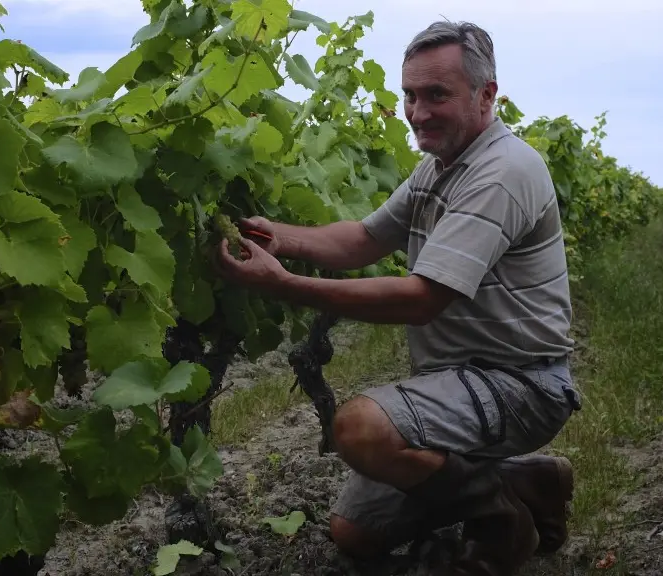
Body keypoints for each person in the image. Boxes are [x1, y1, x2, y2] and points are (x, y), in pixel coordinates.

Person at [215, 19, 582, 576]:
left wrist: (285, 284)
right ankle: (524, 480)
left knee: (360, 429)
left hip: (520, 384)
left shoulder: (502, 171)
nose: (417, 111)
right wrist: (277, 237)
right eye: (410, 94)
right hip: (461, 380)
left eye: (437, 94)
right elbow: (363, 239)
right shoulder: (438, 166)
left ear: (487, 95)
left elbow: (421, 299)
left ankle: (501, 518)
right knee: (356, 535)